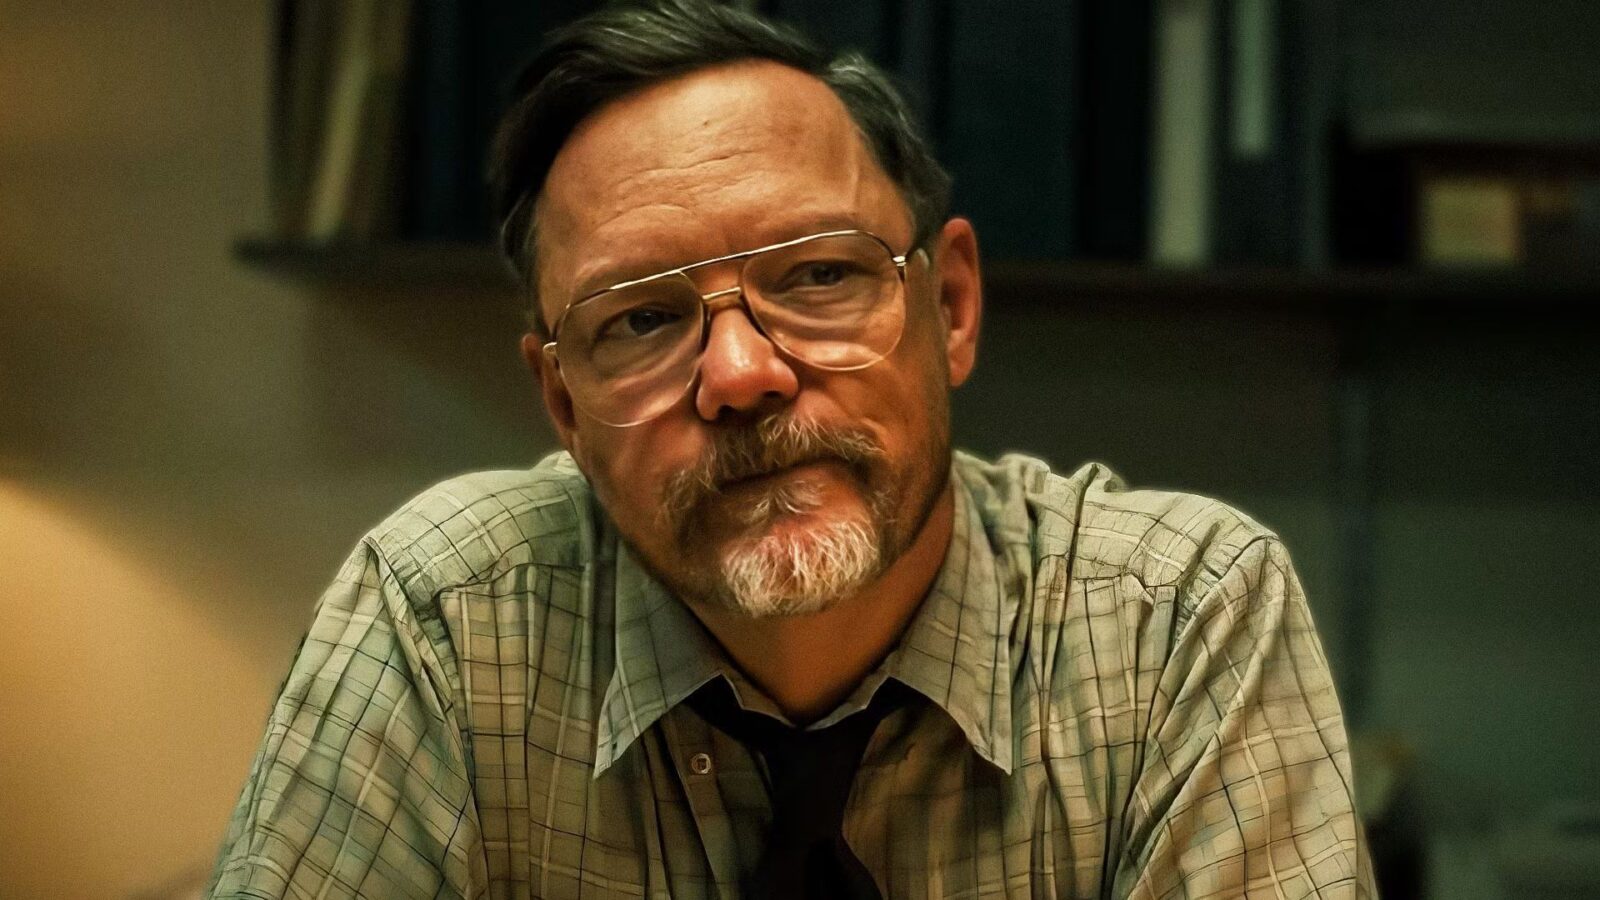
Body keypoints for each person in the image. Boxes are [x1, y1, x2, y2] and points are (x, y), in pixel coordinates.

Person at [208, 2, 1375, 897]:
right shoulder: (446, 621)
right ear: (563, 405)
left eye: (817, 274)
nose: (740, 376)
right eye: (641, 321)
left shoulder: (1175, 618)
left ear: (949, 306)